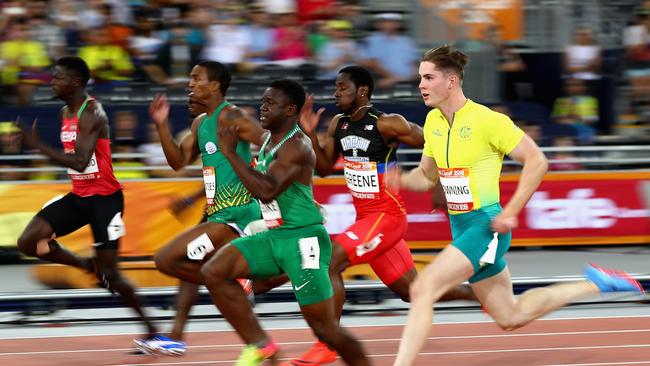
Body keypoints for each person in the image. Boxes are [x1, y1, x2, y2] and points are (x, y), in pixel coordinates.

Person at [392, 45, 643, 366]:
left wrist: (510, 212)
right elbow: (425, 177)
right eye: (420, 78)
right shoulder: (433, 122)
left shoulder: (488, 120)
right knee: (511, 316)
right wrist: (396, 179)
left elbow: (537, 161)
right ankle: (594, 282)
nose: (421, 86)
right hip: (462, 228)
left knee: (423, 288)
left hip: (486, 226)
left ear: (451, 81)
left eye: (428, 78)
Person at [290, 65, 476, 365]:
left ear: (362, 91)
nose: (336, 93)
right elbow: (323, 168)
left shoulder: (388, 123)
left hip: (387, 217)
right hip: (366, 221)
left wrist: (438, 181)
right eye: (336, 88)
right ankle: (479, 295)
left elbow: (439, 141)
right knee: (414, 291)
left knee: (328, 261)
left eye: (342, 88)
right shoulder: (338, 123)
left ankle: (328, 344)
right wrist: (310, 133)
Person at [201, 79, 370, 366]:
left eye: (270, 103)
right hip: (274, 235)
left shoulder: (297, 145)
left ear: (290, 109)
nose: (262, 107)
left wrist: (229, 152)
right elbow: (265, 188)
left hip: (303, 241)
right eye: (262, 101)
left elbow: (266, 189)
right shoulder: (268, 139)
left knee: (326, 330)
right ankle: (261, 346)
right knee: (214, 271)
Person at [15, 56, 159, 340]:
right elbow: (76, 163)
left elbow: (81, 161)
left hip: (105, 200)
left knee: (112, 276)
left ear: (76, 82)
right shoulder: (62, 113)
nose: (52, 82)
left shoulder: (93, 112)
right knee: (29, 242)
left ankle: (152, 331)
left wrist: (39, 147)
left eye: (58, 78)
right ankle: (85, 265)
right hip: (80, 196)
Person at [135, 61, 268, 355]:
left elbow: (271, 144)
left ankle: (241, 287)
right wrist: (161, 125)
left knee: (167, 259)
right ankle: (176, 336)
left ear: (215, 85)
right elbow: (178, 162)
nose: (190, 83)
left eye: (196, 78)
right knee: (191, 266)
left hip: (238, 215)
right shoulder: (200, 124)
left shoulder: (232, 117)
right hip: (216, 212)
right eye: (190, 79)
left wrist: (263, 177)